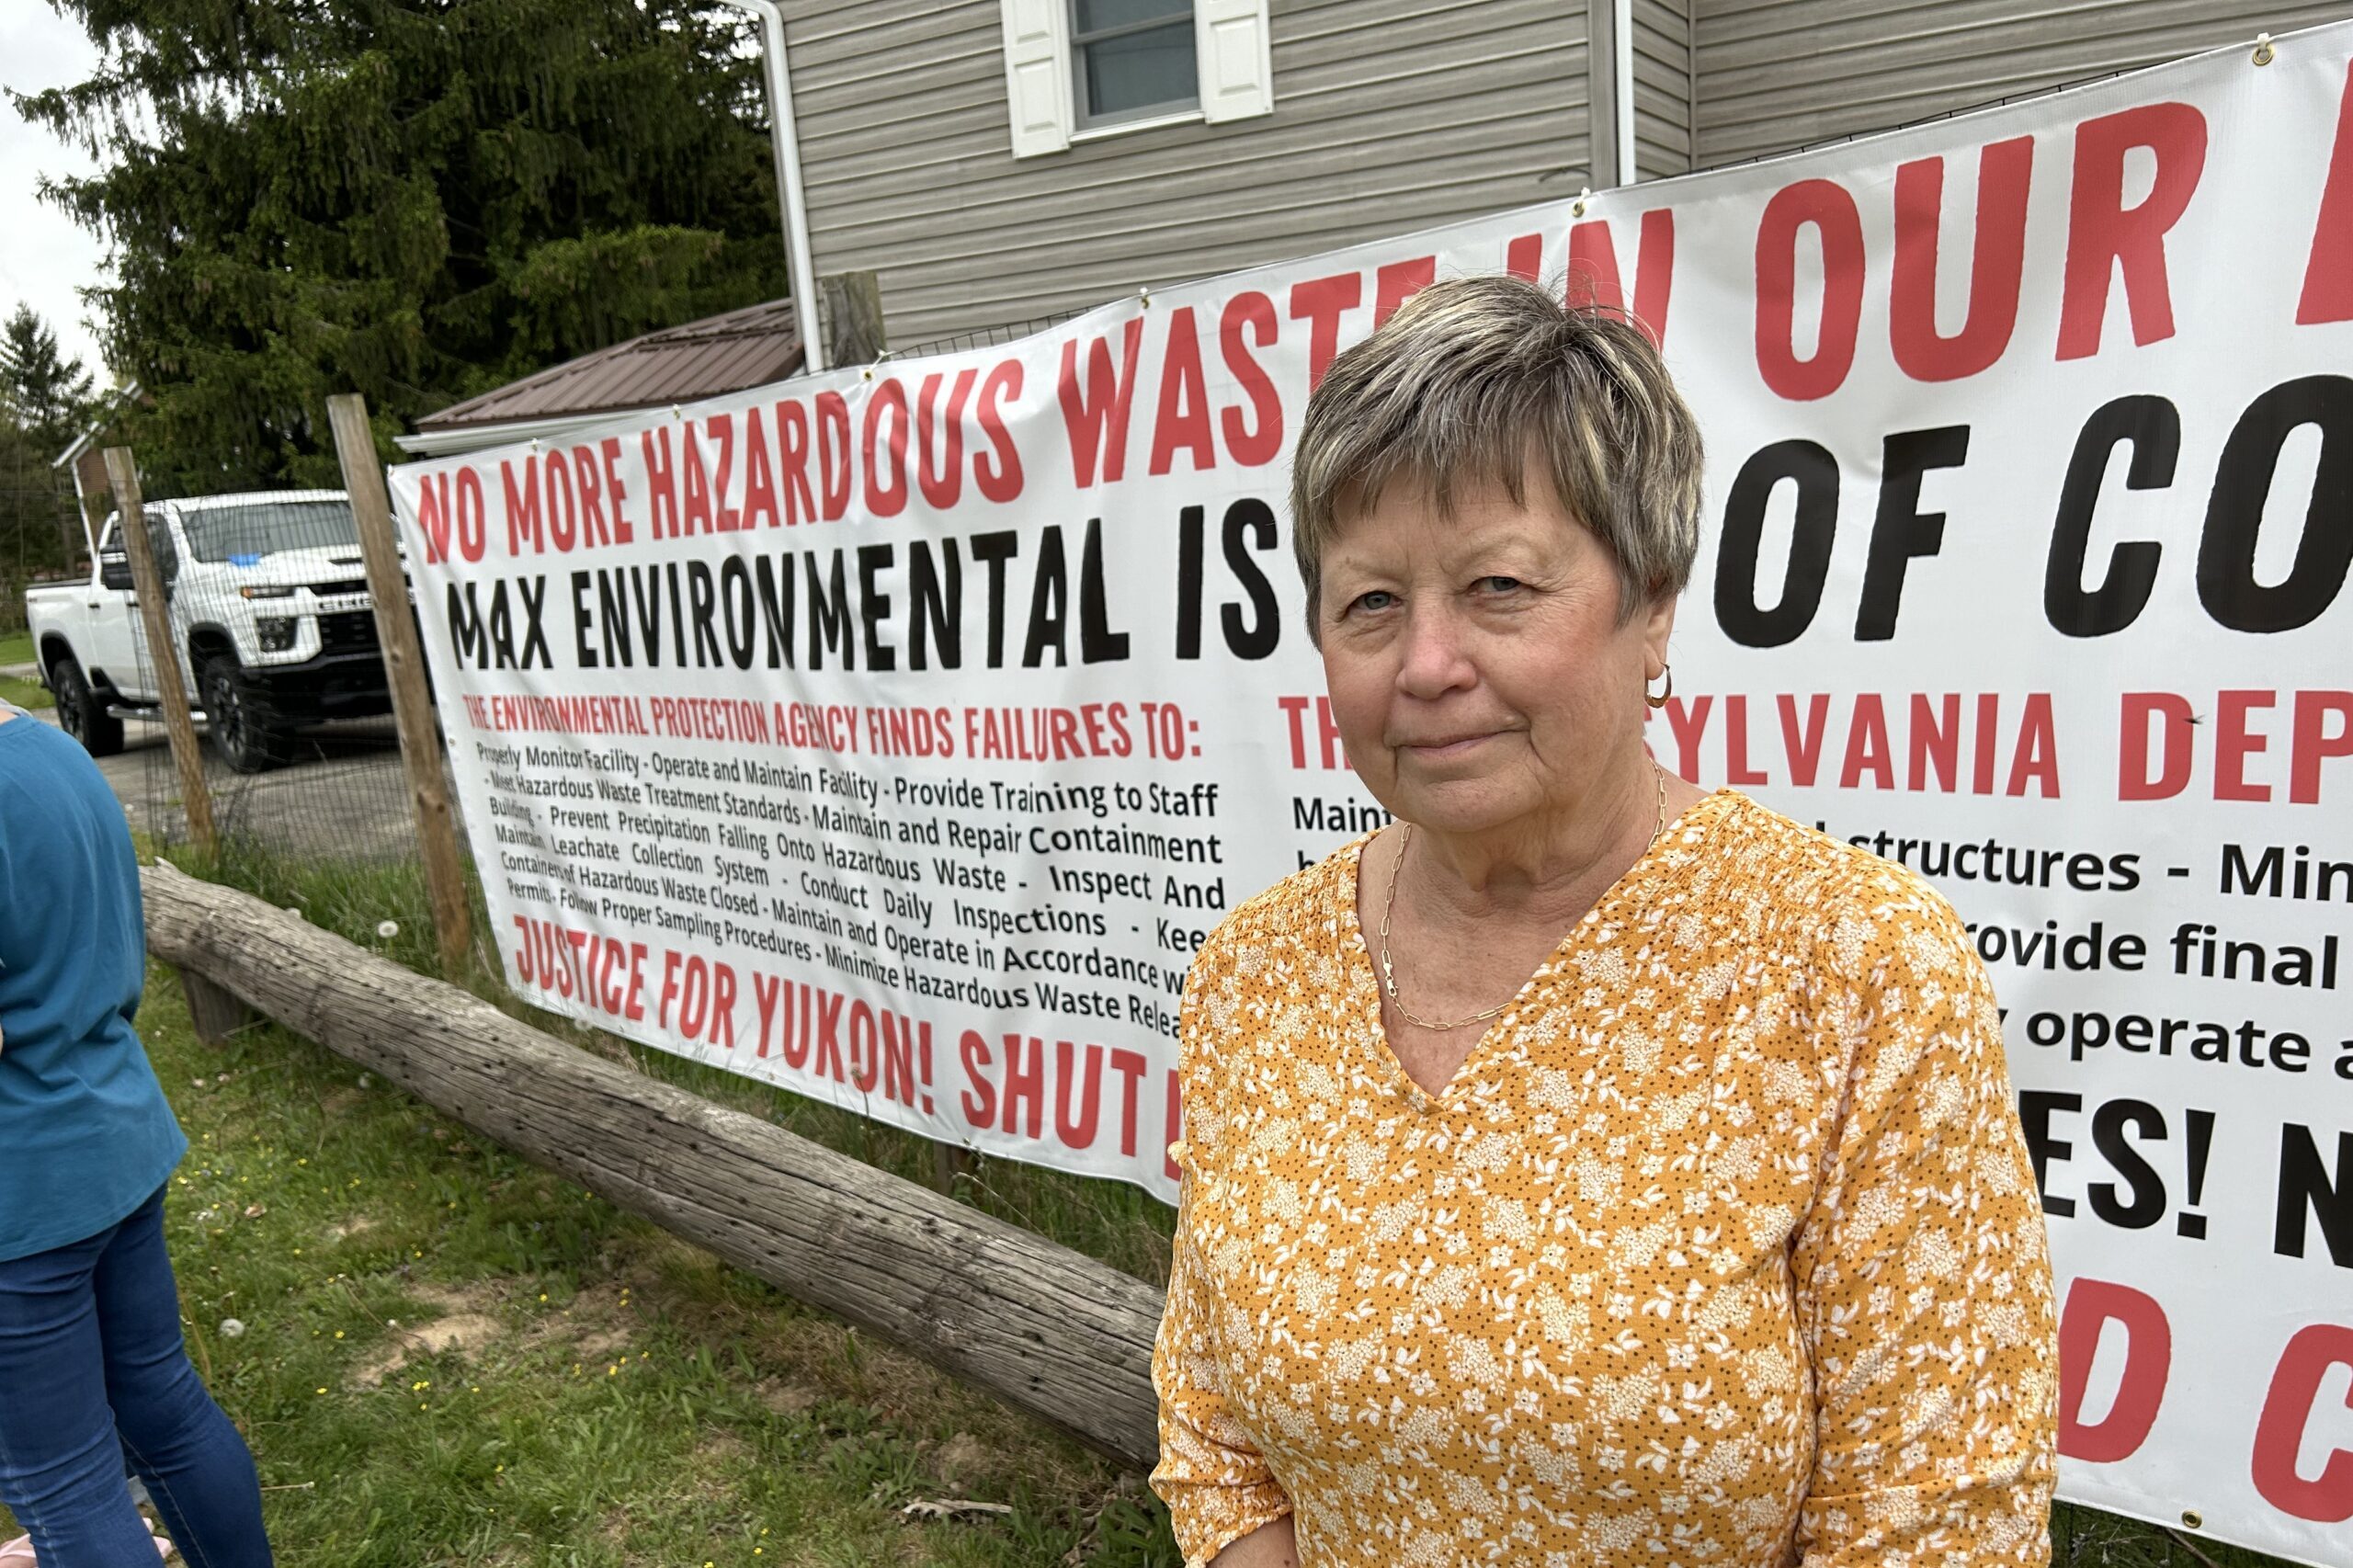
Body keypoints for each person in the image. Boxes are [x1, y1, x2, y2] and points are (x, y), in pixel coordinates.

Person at [1150, 277, 2058, 1567]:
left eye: (1500, 586)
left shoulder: (1856, 968)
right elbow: (1219, 1441)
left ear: (1655, 602)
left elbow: (1939, 1523)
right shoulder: (1255, 971)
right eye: (1369, 603)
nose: (1426, 663)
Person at [0, 701, 274, 1565]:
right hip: (113, 1134)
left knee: (69, 1486)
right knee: (168, 1409)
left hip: (23, 1193)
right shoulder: (53, 753)